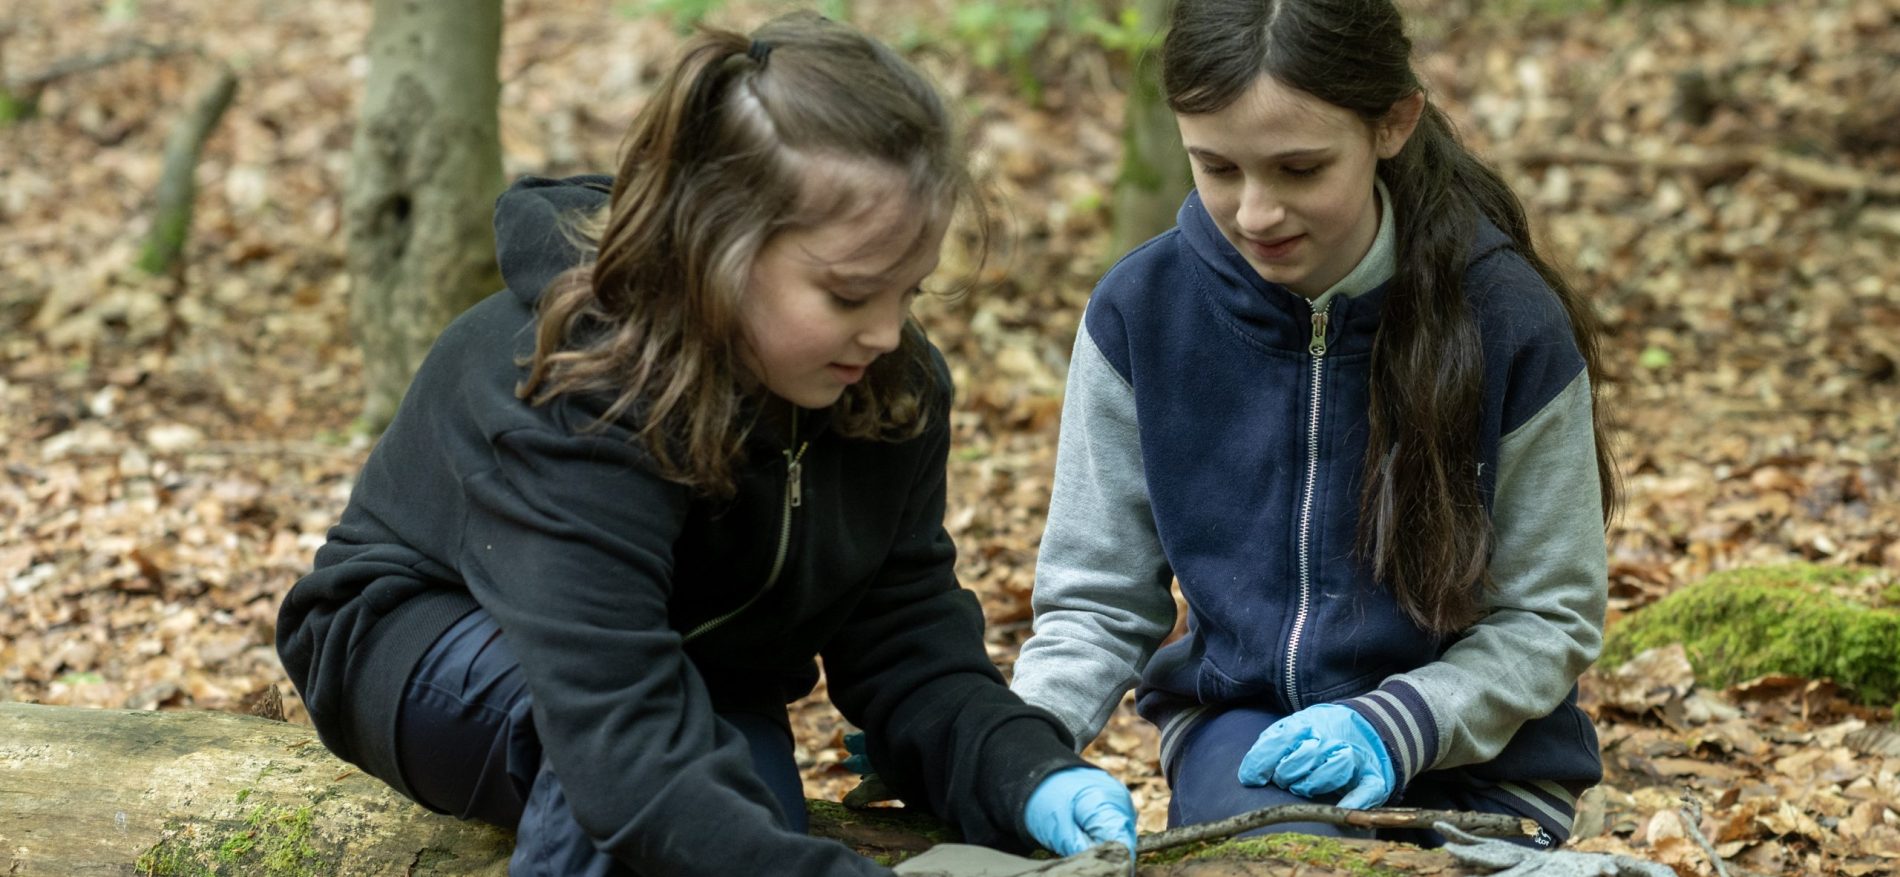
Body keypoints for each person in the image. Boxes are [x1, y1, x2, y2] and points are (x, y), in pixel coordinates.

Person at [275, 14, 1136, 877]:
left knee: (732, 815)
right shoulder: (581, 387)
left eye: (908, 291)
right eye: (848, 294)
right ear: (717, 246)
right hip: (426, 635)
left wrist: (1027, 770)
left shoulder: (888, 384)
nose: (885, 332)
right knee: (619, 793)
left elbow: (904, 635)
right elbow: (618, 738)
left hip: (702, 684)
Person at [1008, 0, 1619, 851]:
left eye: (1299, 169)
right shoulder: (1141, 311)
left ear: (1393, 123)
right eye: (1216, 167)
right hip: (1251, 738)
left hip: (1487, 759)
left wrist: (1396, 721)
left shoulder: (1509, 317)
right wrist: (1007, 747)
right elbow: (1094, 599)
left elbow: (1549, 614)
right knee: (1292, 860)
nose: (1256, 212)